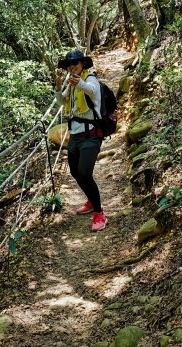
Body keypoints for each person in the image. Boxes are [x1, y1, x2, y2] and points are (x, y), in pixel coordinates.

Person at [54, 50, 107, 232]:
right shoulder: (71, 83)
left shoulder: (90, 79)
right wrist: (58, 87)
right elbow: (62, 102)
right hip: (75, 135)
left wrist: (80, 83)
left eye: (75, 63)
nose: (72, 67)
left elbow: (92, 91)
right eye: (69, 65)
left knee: (85, 173)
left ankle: (99, 213)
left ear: (83, 64)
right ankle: (92, 200)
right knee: (75, 172)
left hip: (91, 134)